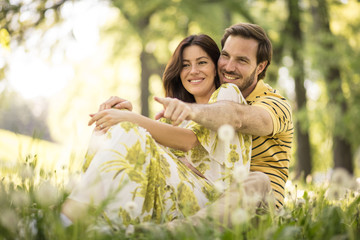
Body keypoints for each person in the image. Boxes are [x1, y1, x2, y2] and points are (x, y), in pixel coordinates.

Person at [61, 34, 252, 226]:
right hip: (175, 193)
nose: (193, 71)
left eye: (201, 62)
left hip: (210, 203)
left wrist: (131, 119)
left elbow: (188, 141)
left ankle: (66, 219)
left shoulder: (227, 95)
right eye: (185, 65)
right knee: (119, 131)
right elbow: (152, 154)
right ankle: (86, 219)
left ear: (215, 67)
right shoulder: (178, 117)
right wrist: (121, 117)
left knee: (129, 130)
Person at [107, 23, 293, 212]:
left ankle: (177, 231)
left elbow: (236, 117)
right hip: (209, 197)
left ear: (260, 66)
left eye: (242, 61)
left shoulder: (275, 103)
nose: (229, 67)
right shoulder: (211, 100)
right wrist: (128, 118)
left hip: (257, 203)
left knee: (257, 180)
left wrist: (190, 111)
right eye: (226, 56)